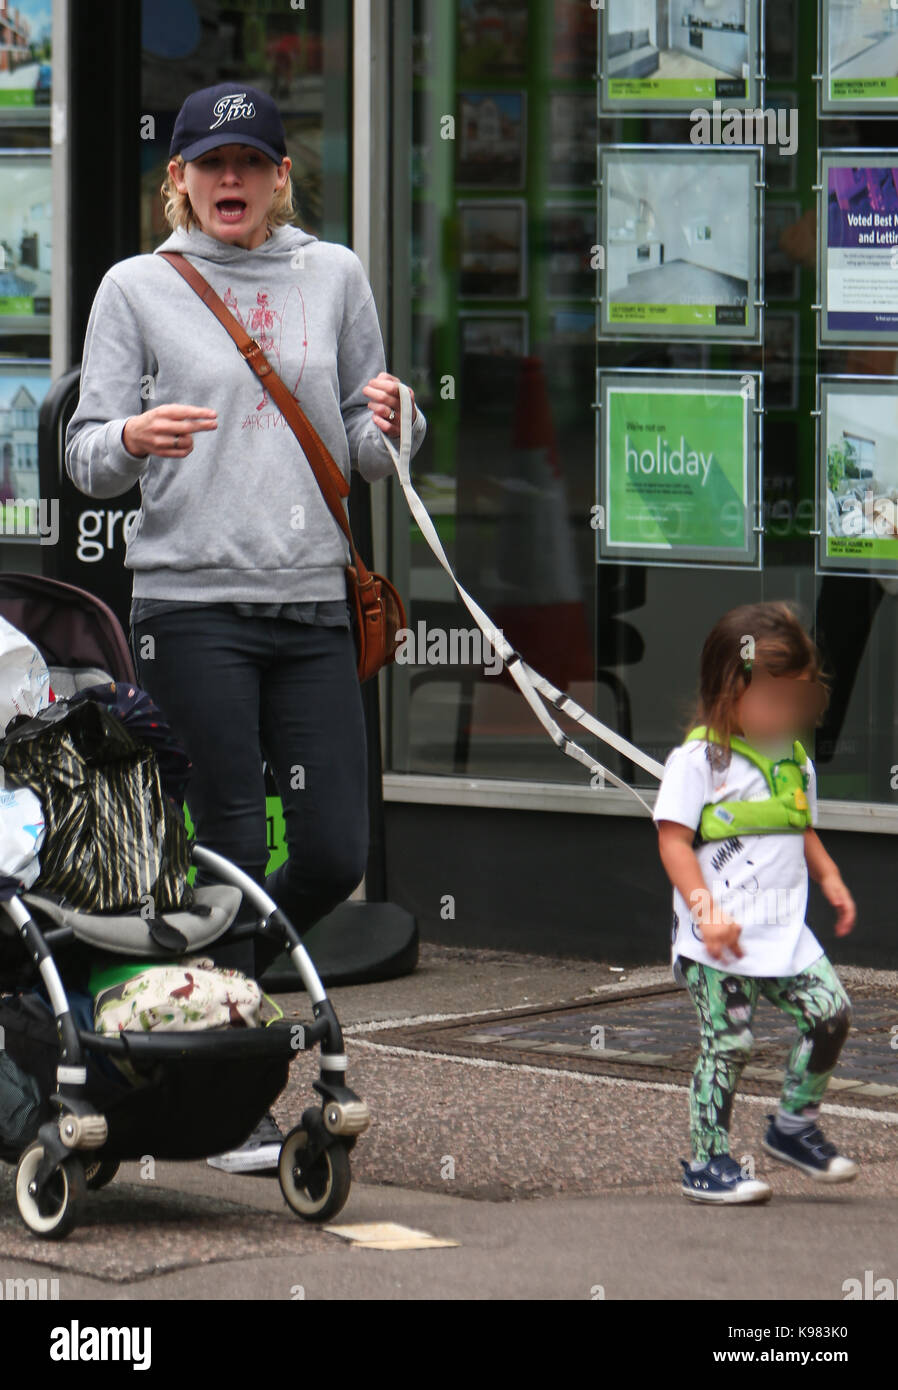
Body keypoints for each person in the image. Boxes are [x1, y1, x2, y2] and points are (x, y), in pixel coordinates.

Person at [64, 82, 427, 1172]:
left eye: (252, 164)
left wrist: (399, 422)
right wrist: (132, 433)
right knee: (225, 843)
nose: (232, 181)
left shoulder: (334, 275)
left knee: (327, 850)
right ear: (175, 180)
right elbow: (84, 459)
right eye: (210, 164)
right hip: (193, 603)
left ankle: (201, 1015)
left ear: (280, 178)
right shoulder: (138, 287)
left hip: (313, 597)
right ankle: (227, 1099)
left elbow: (369, 450)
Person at [653, 600, 858, 1204]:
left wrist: (831, 877)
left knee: (831, 1015)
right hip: (714, 942)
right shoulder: (698, 763)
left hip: (783, 933)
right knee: (730, 1045)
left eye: (797, 702)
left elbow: (800, 828)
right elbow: (673, 841)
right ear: (726, 692)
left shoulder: (795, 761)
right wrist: (703, 909)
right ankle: (708, 1161)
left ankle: (793, 1125)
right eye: (772, 701)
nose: (785, 716)